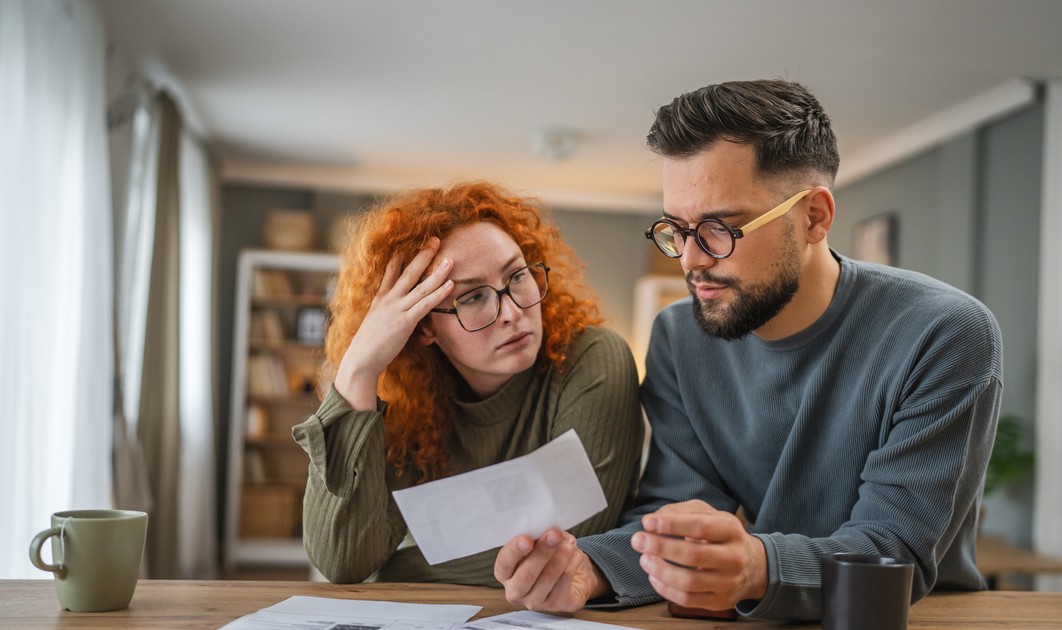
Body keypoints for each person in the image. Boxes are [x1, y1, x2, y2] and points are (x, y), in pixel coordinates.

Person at [493, 80, 1003, 621]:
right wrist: (590, 569)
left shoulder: (943, 332)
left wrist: (758, 567)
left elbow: (890, 549)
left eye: (719, 228)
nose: (689, 260)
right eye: (677, 229)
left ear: (813, 218)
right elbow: (675, 511)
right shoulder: (678, 336)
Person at [293, 182, 645, 586]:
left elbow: (569, 542)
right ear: (422, 325)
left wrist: (398, 571)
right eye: (474, 297)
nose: (512, 312)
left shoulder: (592, 358)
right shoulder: (409, 404)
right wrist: (358, 369)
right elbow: (342, 561)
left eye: (517, 276)